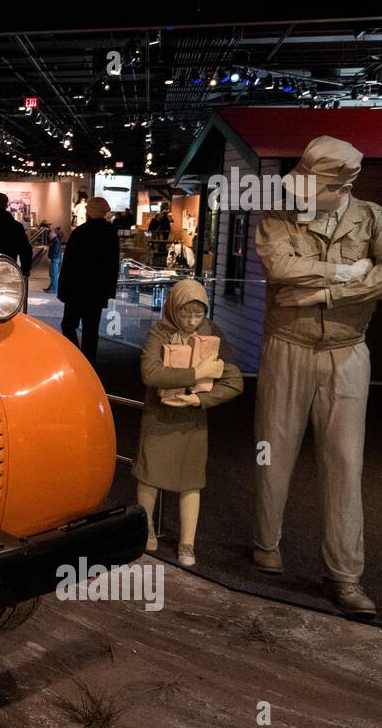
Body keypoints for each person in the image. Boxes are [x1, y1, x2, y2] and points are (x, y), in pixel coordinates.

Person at [253, 135, 382, 616]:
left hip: (346, 352)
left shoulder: (374, 219)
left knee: (345, 463)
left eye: (311, 184)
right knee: (272, 450)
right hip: (288, 347)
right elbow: (280, 266)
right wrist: (349, 274)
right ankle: (265, 545)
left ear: (340, 187)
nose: (298, 192)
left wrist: (322, 295)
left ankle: (345, 575)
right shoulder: (279, 217)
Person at [134, 280, 243, 567]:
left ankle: (187, 543)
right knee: (149, 476)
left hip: (192, 421)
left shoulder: (212, 334)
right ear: (173, 309)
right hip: (158, 417)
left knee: (191, 481)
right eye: (186, 314)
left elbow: (234, 382)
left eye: (198, 315)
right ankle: (145, 531)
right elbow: (150, 373)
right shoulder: (159, 333)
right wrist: (198, 372)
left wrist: (200, 401)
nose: (193, 321)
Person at [57, 196, 119, 364]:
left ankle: (76, 358)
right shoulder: (110, 234)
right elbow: (113, 265)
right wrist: (109, 291)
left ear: (89, 212)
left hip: (76, 289)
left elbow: (69, 264)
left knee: (68, 325)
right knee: (91, 330)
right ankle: (89, 363)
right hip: (97, 291)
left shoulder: (80, 232)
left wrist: (62, 289)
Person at [44, 225, 63, 292]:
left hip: (55, 259)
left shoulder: (56, 241)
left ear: (55, 233)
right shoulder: (53, 240)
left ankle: (55, 288)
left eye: (51, 233)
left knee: (54, 274)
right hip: (53, 259)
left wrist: (51, 258)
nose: (50, 234)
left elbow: (55, 251)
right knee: (51, 274)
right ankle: (51, 287)